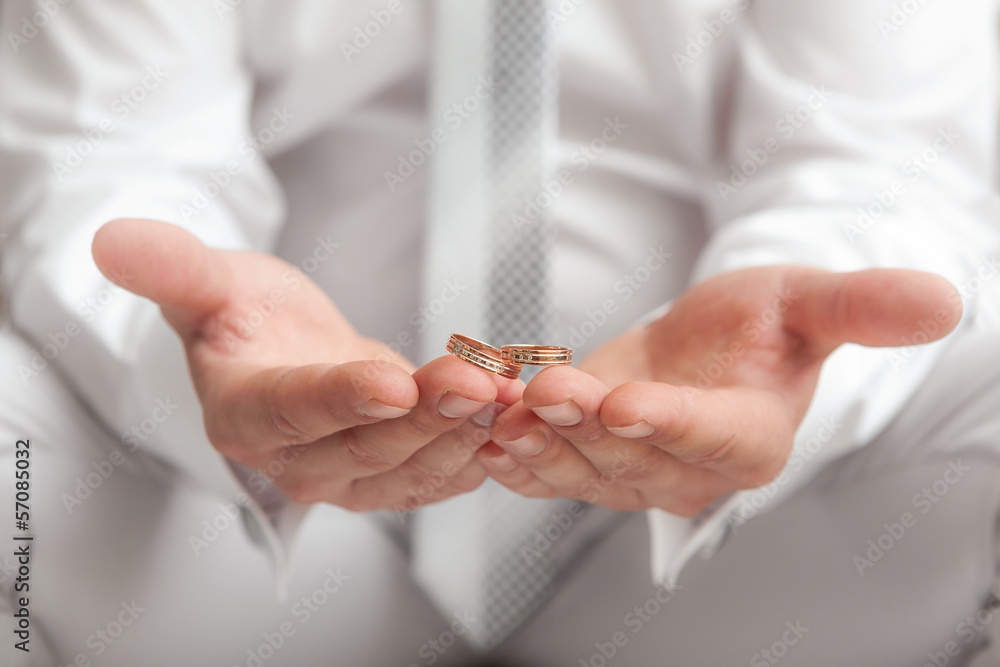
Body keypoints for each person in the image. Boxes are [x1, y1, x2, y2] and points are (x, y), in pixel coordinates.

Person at [2, 0, 1000, 664]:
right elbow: (107, 149)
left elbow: (873, 160)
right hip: (256, 545)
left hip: (721, 559)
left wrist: (775, 372)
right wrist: (203, 362)